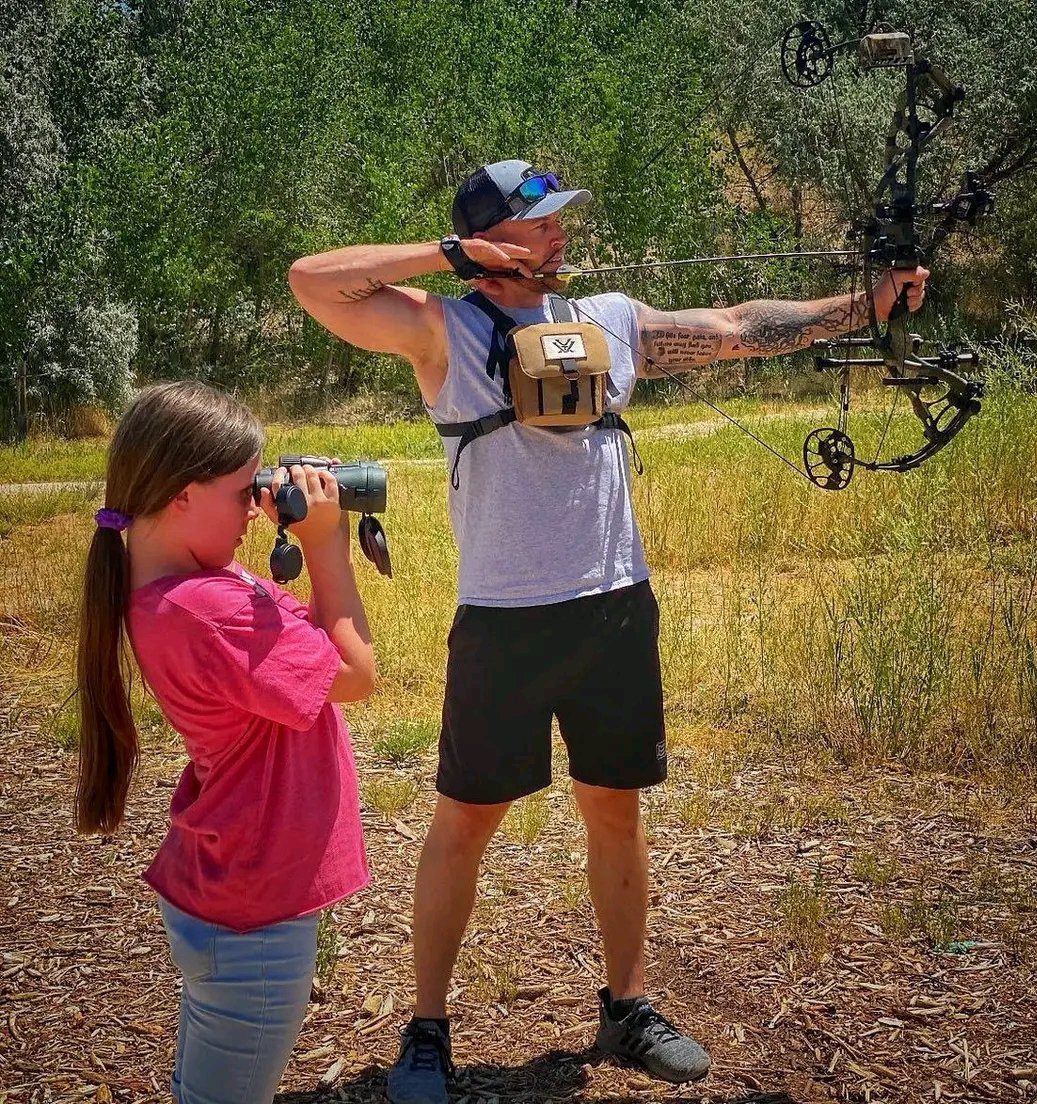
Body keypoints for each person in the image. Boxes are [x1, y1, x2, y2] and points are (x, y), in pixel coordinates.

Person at [288, 160, 929, 1103]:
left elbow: (741, 330)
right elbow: (312, 280)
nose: (561, 236)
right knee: (464, 822)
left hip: (616, 609)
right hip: (505, 622)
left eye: (558, 223)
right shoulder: (442, 330)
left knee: (615, 808)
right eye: (540, 223)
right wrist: (448, 255)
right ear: (493, 239)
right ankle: (426, 1031)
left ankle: (626, 1008)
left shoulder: (612, 319)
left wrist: (861, 305)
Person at [74, 380, 378, 1104]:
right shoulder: (204, 609)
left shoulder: (186, 585)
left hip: (236, 894)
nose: (255, 508)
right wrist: (326, 543)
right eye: (244, 492)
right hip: (254, 917)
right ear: (182, 495)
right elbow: (355, 673)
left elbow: (297, 642)